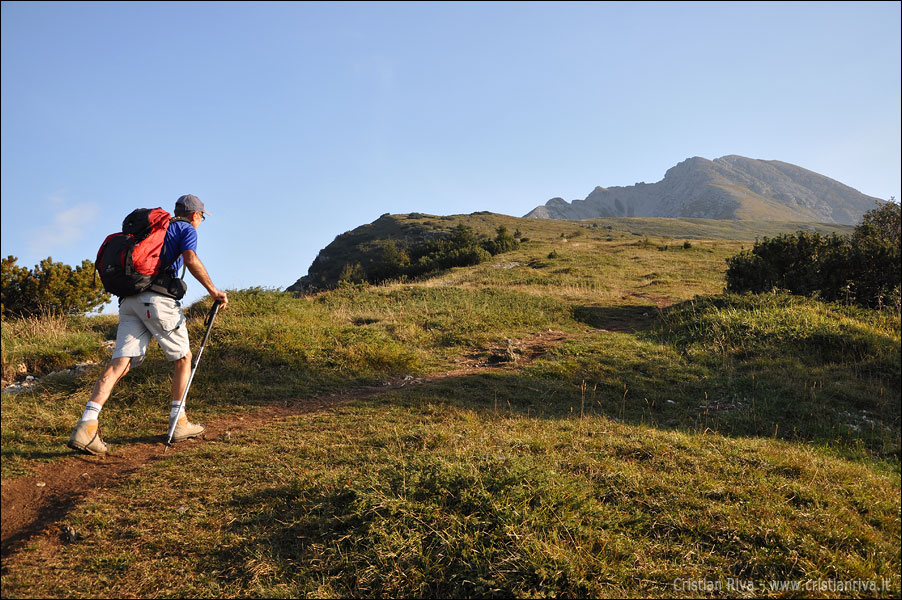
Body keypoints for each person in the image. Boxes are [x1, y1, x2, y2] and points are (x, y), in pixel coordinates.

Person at [67, 194, 229, 455]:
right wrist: (213, 291)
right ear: (196, 215)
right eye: (201, 217)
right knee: (183, 358)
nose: (200, 221)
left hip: (129, 300)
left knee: (120, 363)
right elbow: (190, 259)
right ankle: (180, 423)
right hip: (157, 300)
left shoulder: (151, 229)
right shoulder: (186, 228)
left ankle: (86, 426)